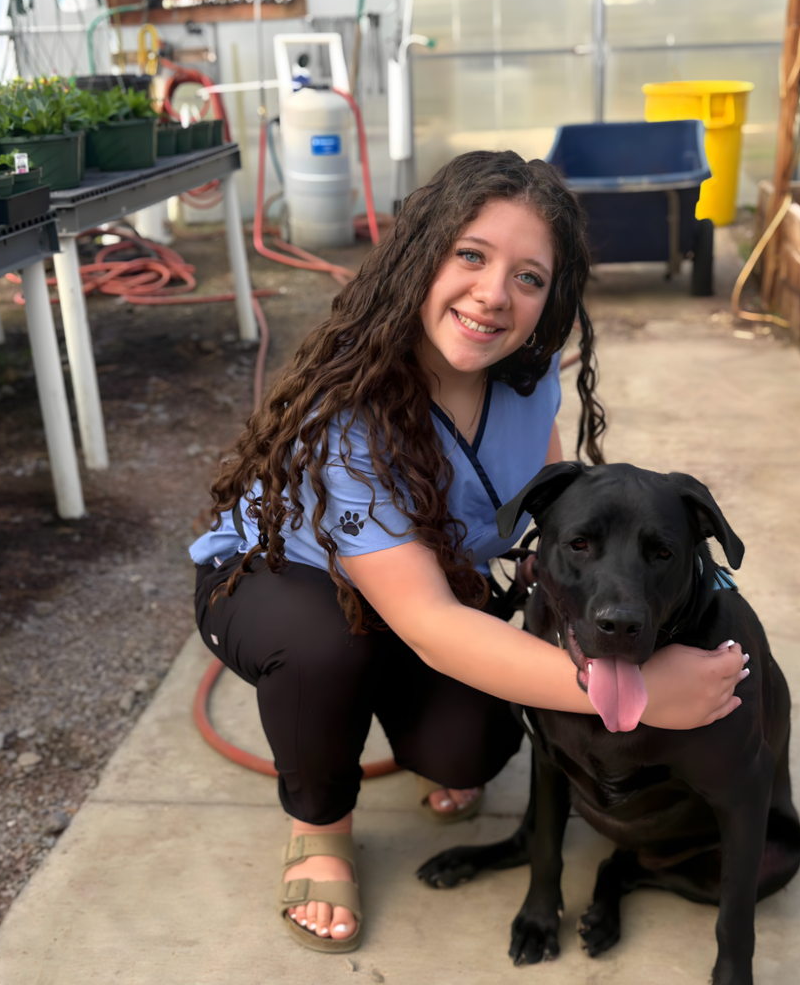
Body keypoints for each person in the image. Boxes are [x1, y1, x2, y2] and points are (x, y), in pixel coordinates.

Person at [189, 151, 747, 954]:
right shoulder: (349, 416)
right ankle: (319, 828)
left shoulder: (529, 377)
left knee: (473, 749)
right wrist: (637, 692)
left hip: (424, 591)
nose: (494, 295)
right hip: (283, 582)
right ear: (423, 253)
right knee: (324, 651)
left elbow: (551, 511)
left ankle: (384, 702)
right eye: (472, 255)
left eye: (529, 276)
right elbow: (430, 627)